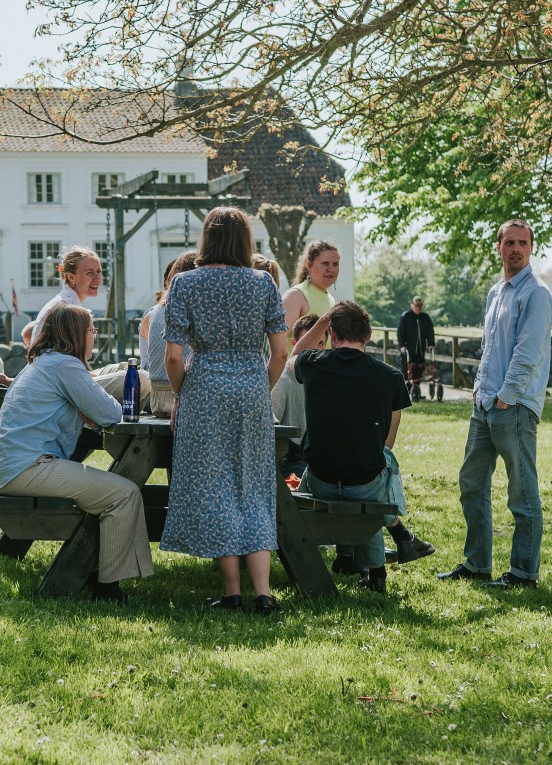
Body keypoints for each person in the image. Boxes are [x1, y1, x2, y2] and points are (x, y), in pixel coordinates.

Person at [163, 207, 291, 614]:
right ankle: (263, 593)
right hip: (252, 388)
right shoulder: (263, 283)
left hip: (204, 390)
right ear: (244, 240)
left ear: (207, 238)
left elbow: (173, 357)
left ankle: (233, 593)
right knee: (254, 486)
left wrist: (185, 393)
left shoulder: (185, 283)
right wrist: (259, 387)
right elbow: (281, 352)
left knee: (216, 487)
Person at [0, 305, 153, 601]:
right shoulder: (65, 366)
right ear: (75, 333)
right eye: (91, 330)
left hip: (8, 466)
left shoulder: (43, 361)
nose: (94, 336)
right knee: (124, 494)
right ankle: (106, 588)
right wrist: (90, 406)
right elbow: (111, 414)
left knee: (117, 491)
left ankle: (103, 576)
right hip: (26, 467)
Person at [439, 219, 552, 589]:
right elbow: (490, 348)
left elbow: (527, 353)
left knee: (521, 492)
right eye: (509, 242)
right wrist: (480, 389)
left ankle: (523, 573)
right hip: (485, 404)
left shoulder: (537, 294)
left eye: (523, 243)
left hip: (514, 406)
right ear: (498, 247)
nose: (516, 248)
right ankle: (477, 564)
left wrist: (506, 396)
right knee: (471, 483)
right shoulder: (495, 292)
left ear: (531, 248)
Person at [293, 302, 417, 591]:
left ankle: (350, 558)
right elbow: (392, 425)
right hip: (365, 482)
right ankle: (382, 563)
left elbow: (294, 353)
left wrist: (322, 321)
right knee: (378, 479)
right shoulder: (390, 376)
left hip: (321, 480)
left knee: (316, 482)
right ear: (368, 335)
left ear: (333, 335)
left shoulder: (314, 364)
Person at [142, 251, 200, 417]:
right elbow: (174, 357)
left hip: (156, 398)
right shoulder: (192, 309)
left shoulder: (154, 312)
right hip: (181, 396)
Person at [27, 246, 102, 349]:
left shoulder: (64, 302)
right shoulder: (68, 309)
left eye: (99, 271)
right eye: (89, 273)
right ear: (71, 277)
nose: (97, 278)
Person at [281, 239, 340, 330]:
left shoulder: (331, 300)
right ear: (309, 265)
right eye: (325, 263)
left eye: (335, 264)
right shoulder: (295, 296)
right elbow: (279, 337)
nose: (331, 269)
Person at [397, 297, 437, 403]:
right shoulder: (406, 316)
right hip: (408, 350)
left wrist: (431, 344)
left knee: (419, 370)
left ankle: (416, 391)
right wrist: (402, 345)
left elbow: (430, 331)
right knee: (407, 371)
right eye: (416, 305)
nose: (418, 307)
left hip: (420, 350)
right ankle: (406, 393)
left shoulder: (425, 317)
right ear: (412, 305)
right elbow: (400, 332)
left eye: (420, 305)